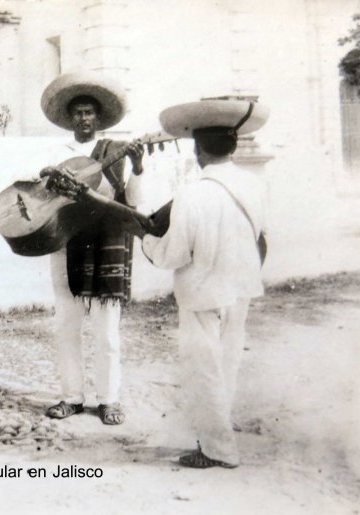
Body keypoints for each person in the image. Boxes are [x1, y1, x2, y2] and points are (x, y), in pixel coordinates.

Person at [140, 98, 270, 468]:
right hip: (241, 285)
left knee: (203, 370)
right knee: (226, 364)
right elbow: (259, 234)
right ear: (232, 146)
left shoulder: (192, 194)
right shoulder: (253, 185)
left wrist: (145, 239)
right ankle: (219, 432)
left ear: (198, 150)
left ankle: (218, 450)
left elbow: (173, 255)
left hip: (203, 292)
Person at [33, 72, 145, 424]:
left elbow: (133, 201)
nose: (83, 118)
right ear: (70, 118)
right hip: (67, 245)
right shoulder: (57, 152)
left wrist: (138, 167)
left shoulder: (116, 152)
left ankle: (109, 399)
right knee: (67, 326)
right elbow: (41, 198)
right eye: (78, 112)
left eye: (89, 113)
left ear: (98, 119)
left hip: (106, 244)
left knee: (106, 331)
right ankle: (72, 397)